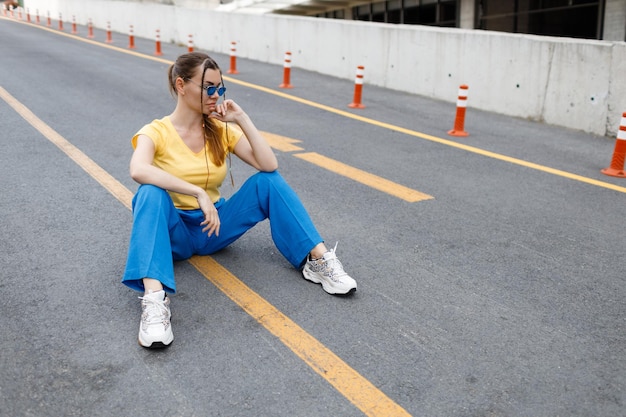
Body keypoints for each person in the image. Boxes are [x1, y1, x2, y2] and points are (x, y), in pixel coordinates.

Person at [122, 52, 357, 349]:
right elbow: (137, 169)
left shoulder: (221, 130)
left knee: (268, 182)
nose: (216, 95)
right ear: (181, 85)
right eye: (209, 88)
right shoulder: (156, 131)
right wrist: (196, 193)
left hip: (213, 227)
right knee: (149, 192)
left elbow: (269, 165)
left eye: (220, 88)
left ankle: (318, 260)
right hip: (174, 234)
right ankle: (155, 302)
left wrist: (241, 119)